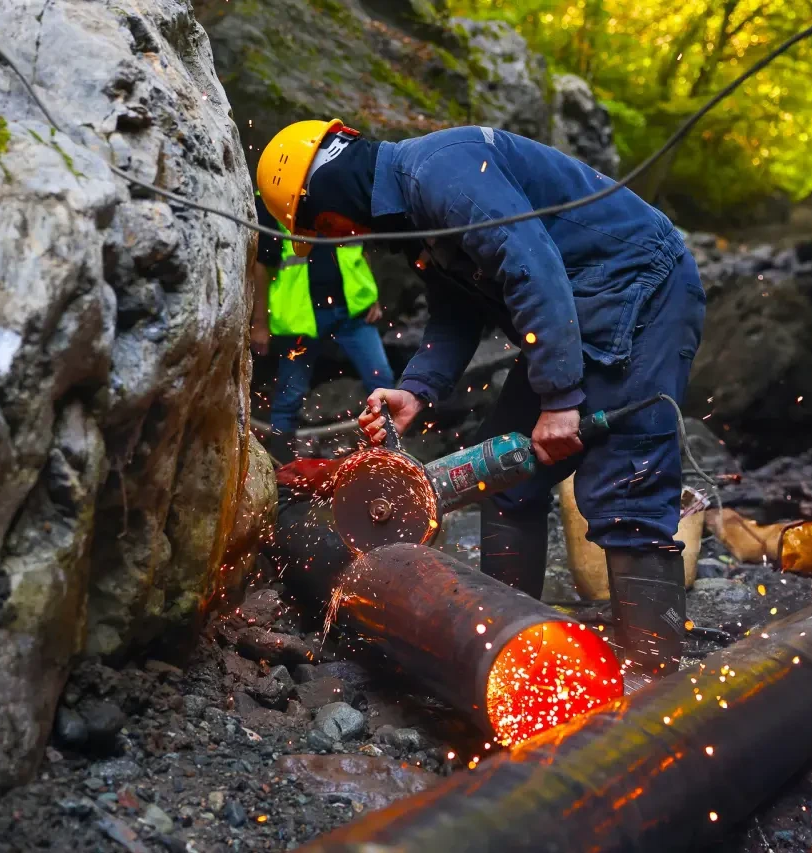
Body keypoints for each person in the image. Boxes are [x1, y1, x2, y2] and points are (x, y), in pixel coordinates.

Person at [256, 120, 705, 680]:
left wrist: (561, 400)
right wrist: (417, 388)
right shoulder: (419, 211)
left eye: (327, 226)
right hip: (577, 308)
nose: (344, 236)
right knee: (508, 478)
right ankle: (516, 652)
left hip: (640, 291)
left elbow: (532, 267)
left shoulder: (441, 171)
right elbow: (458, 311)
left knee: (625, 492)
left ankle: (653, 681)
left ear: (330, 193)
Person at [251, 189, 395, 463]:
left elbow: (360, 245)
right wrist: (260, 322)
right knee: (288, 398)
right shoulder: (274, 198)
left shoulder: (339, 186)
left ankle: (391, 457)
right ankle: (282, 473)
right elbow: (261, 265)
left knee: (382, 380)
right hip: (300, 318)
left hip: (351, 311)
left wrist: (370, 294)